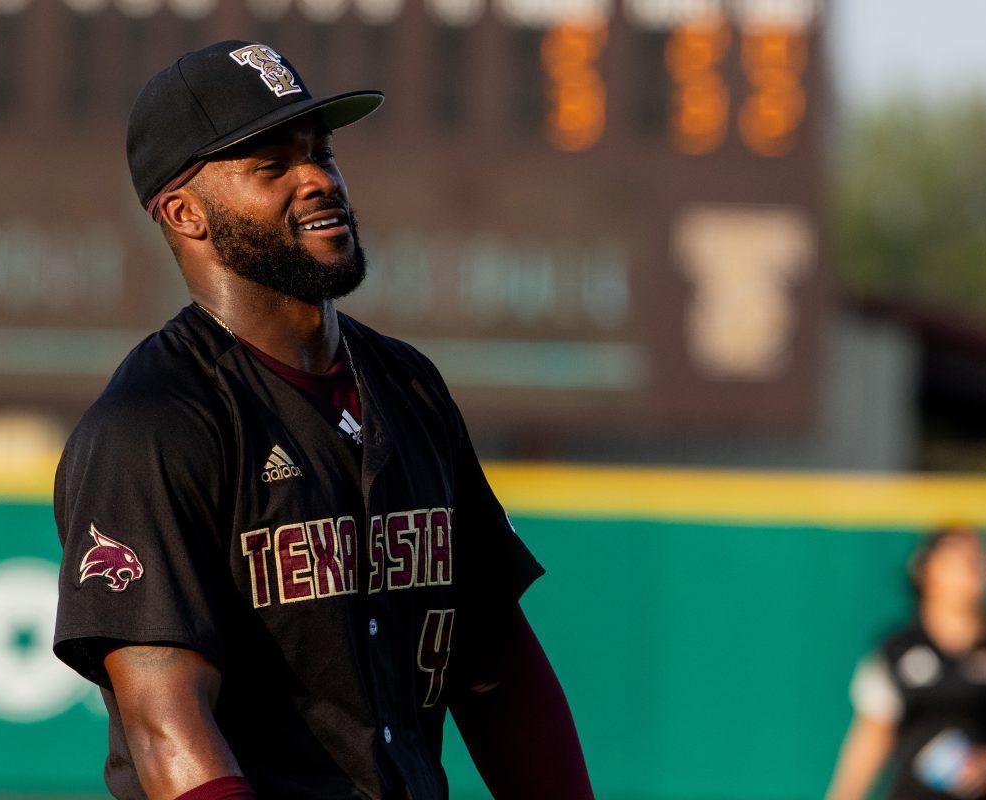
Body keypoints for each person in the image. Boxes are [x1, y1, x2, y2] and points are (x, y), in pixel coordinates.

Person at [52, 41, 594, 800]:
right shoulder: (149, 425)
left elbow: (492, 662)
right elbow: (165, 726)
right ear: (184, 212)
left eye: (320, 151)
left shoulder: (408, 385)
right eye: (272, 165)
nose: (318, 179)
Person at [827, 525, 986, 800]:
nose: (973, 571)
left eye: (979, 559)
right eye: (959, 561)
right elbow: (872, 736)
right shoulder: (897, 650)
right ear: (928, 570)